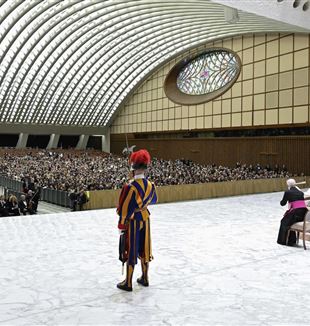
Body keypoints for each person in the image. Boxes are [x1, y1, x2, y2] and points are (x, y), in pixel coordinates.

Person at [116, 149, 158, 292]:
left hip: (133, 221)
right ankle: (145, 277)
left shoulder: (130, 187)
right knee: (144, 247)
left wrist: (121, 224)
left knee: (131, 248)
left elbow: (124, 208)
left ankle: (128, 282)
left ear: (133, 169)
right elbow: (154, 200)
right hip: (145, 218)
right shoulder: (151, 185)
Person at [277, 179, 310, 246]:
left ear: (288, 185)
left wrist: (281, 201)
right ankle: (292, 240)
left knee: (283, 222)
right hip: (303, 213)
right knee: (289, 222)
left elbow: (283, 203)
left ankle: (283, 241)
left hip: (295, 212)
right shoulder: (301, 192)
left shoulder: (288, 192)